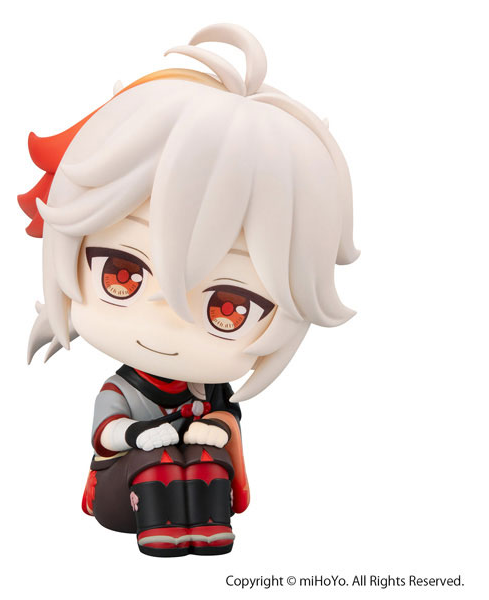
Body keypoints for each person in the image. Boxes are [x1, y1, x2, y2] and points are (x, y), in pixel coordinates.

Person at [18, 23, 358, 557]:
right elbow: (105, 433)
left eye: (230, 307)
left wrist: (217, 430)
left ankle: (207, 526)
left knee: (206, 460)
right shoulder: (121, 389)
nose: (168, 319)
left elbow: (228, 422)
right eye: (122, 272)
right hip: (122, 486)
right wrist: (140, 436)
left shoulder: (209, 390)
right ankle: (160, 528)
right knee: (155, 464)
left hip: (195, 481)